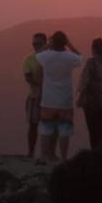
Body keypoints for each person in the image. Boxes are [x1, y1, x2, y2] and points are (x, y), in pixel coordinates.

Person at [35, 31, 83, 164]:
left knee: (46, 129)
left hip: (48, 100)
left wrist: (47, 45)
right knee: (64, 131)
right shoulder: (69, 57)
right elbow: (80, 58)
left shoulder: (46, 56)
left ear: (53, 42)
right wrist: (70, 45)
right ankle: (63, 158)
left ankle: (44, 157)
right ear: (64, 43)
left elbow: (37, 54)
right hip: (65, 100)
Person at [22, 32, 48, 158]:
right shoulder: (29, 59)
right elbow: (27, 77)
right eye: (34, 44)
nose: (35, 46)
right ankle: (31, 152)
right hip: (35, 96)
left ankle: (48, 153)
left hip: (49, 96)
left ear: (45, 43)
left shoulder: (50, 57)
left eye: (38, 44)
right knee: (33, 126)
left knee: (49, 126)